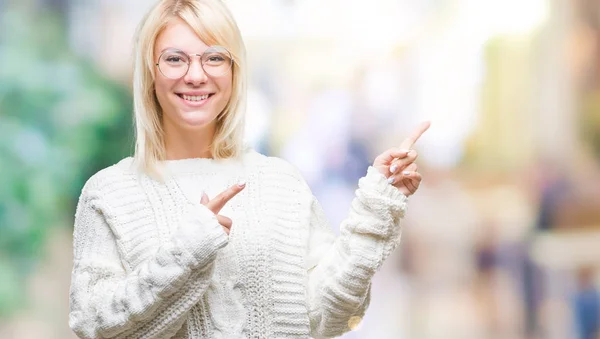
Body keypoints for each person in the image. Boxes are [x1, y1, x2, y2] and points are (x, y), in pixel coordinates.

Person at [68, 0, 430, 338]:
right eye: (175, 59)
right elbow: (93, 323)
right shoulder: (109, 193)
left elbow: (327, 317)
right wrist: (186, 253)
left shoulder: (280, 182)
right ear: (150, 72)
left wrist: (374, 212)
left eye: (214, 58)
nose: (196, 75)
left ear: (233, 72)